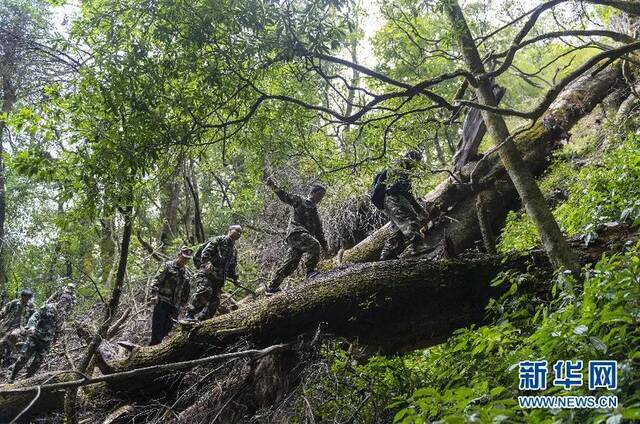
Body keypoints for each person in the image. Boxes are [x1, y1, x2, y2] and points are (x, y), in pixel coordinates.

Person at [265, 177, 328, 295]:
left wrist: (325, 246)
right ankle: (310, 272)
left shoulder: (315, 212)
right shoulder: (300, 200)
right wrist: (273, 186)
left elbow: (319, 232)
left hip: (301, 238)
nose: (321, 198)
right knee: (314, 245)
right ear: (313, 193)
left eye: (322, 196)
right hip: (296, 233)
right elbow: (284, 196)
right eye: (320, 195)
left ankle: (272, 287)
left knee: (291, 263)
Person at [378, 151, 431, 260]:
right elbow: (403, 190)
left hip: (387, 200)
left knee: (397, 228)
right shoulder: (402, 166)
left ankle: (387, 255)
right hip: (394, 198)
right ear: (413, 159)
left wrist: (418, 207)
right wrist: (418, 209)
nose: (417, 164)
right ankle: (418, 246)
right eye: (417, 161)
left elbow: (406, 191)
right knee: (410, 218)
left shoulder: (399, 166)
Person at [185, 226, 241, 321]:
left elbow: (231, 268)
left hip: (219, 280)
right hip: (207, 274)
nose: (239, 233)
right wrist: (207, 262)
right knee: (205, 291)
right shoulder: (219, 240)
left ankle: (203, 321)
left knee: (214, 302)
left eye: (240, 232)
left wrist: (235, 279)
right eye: (237, 230)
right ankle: (189, 315)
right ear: (230, 230)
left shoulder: (234, 251)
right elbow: (205, 252)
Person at [149, 246, 193, 345]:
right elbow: (156, 280)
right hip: (162, 301)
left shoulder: (186, 273)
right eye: (184, 257)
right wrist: (154, 295)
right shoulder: (168, 266)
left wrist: (184, 304)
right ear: (179, 255)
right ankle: (153, 348)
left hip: (175, 305)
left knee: (168, 329)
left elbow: (186, 290)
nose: (185, 260)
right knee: (157, 328)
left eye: (187, 259)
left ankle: (161, 349)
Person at [9, 303, 59, 382]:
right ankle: (12, 376)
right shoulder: (46, 308)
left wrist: (55, 339)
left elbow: (58, 329)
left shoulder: (60, 314)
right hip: (34, 338)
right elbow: (34, 317)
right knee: (23, 358)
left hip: (46, 343)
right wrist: (31, 327)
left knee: (37, 363)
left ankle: (27, 381)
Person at [0, 289, 34, 366]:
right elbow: (4, 311)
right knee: (2, 342)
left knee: (13, 336)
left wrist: (31, 327)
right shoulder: (14, 302)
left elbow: (33, 316)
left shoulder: (30, 306)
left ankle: (7, 357)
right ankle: (3, 356)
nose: (26, 299)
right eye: (24, 297)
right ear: (22, 296)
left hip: (19, 327)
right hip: (7, 325)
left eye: (28, 297)